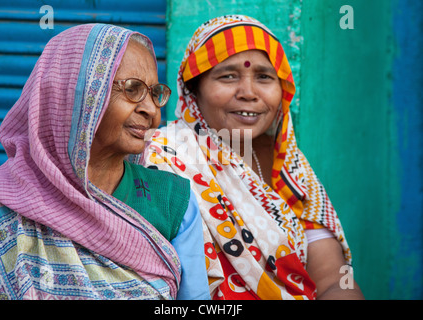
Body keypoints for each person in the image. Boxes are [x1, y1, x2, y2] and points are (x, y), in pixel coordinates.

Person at [0, 23, 209, 300]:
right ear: (72, 93)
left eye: (155, 93)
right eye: (132, 89)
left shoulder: (172, 201)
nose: (151, 110)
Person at [143, 15, 364, 300]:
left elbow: (333, 279)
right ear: (194, 90)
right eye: (228, 76)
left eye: (264, 77)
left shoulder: (290, 168)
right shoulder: (162, 158)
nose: (248, 93)